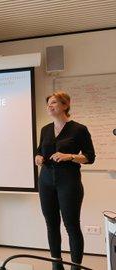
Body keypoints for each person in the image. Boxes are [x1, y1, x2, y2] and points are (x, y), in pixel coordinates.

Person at [35, 91, 95, 270]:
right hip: (45, 181)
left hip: (68, 182)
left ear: (65, 105)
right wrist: (38, 157)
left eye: (53, 103)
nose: (49, 106)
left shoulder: (79, 129)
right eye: (48, 104)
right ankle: (56, 264)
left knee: (71, 225)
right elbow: (40, 151)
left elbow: (90, 157)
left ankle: (75, 266)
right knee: (51, 224)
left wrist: (69, 156)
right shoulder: (45, 129)